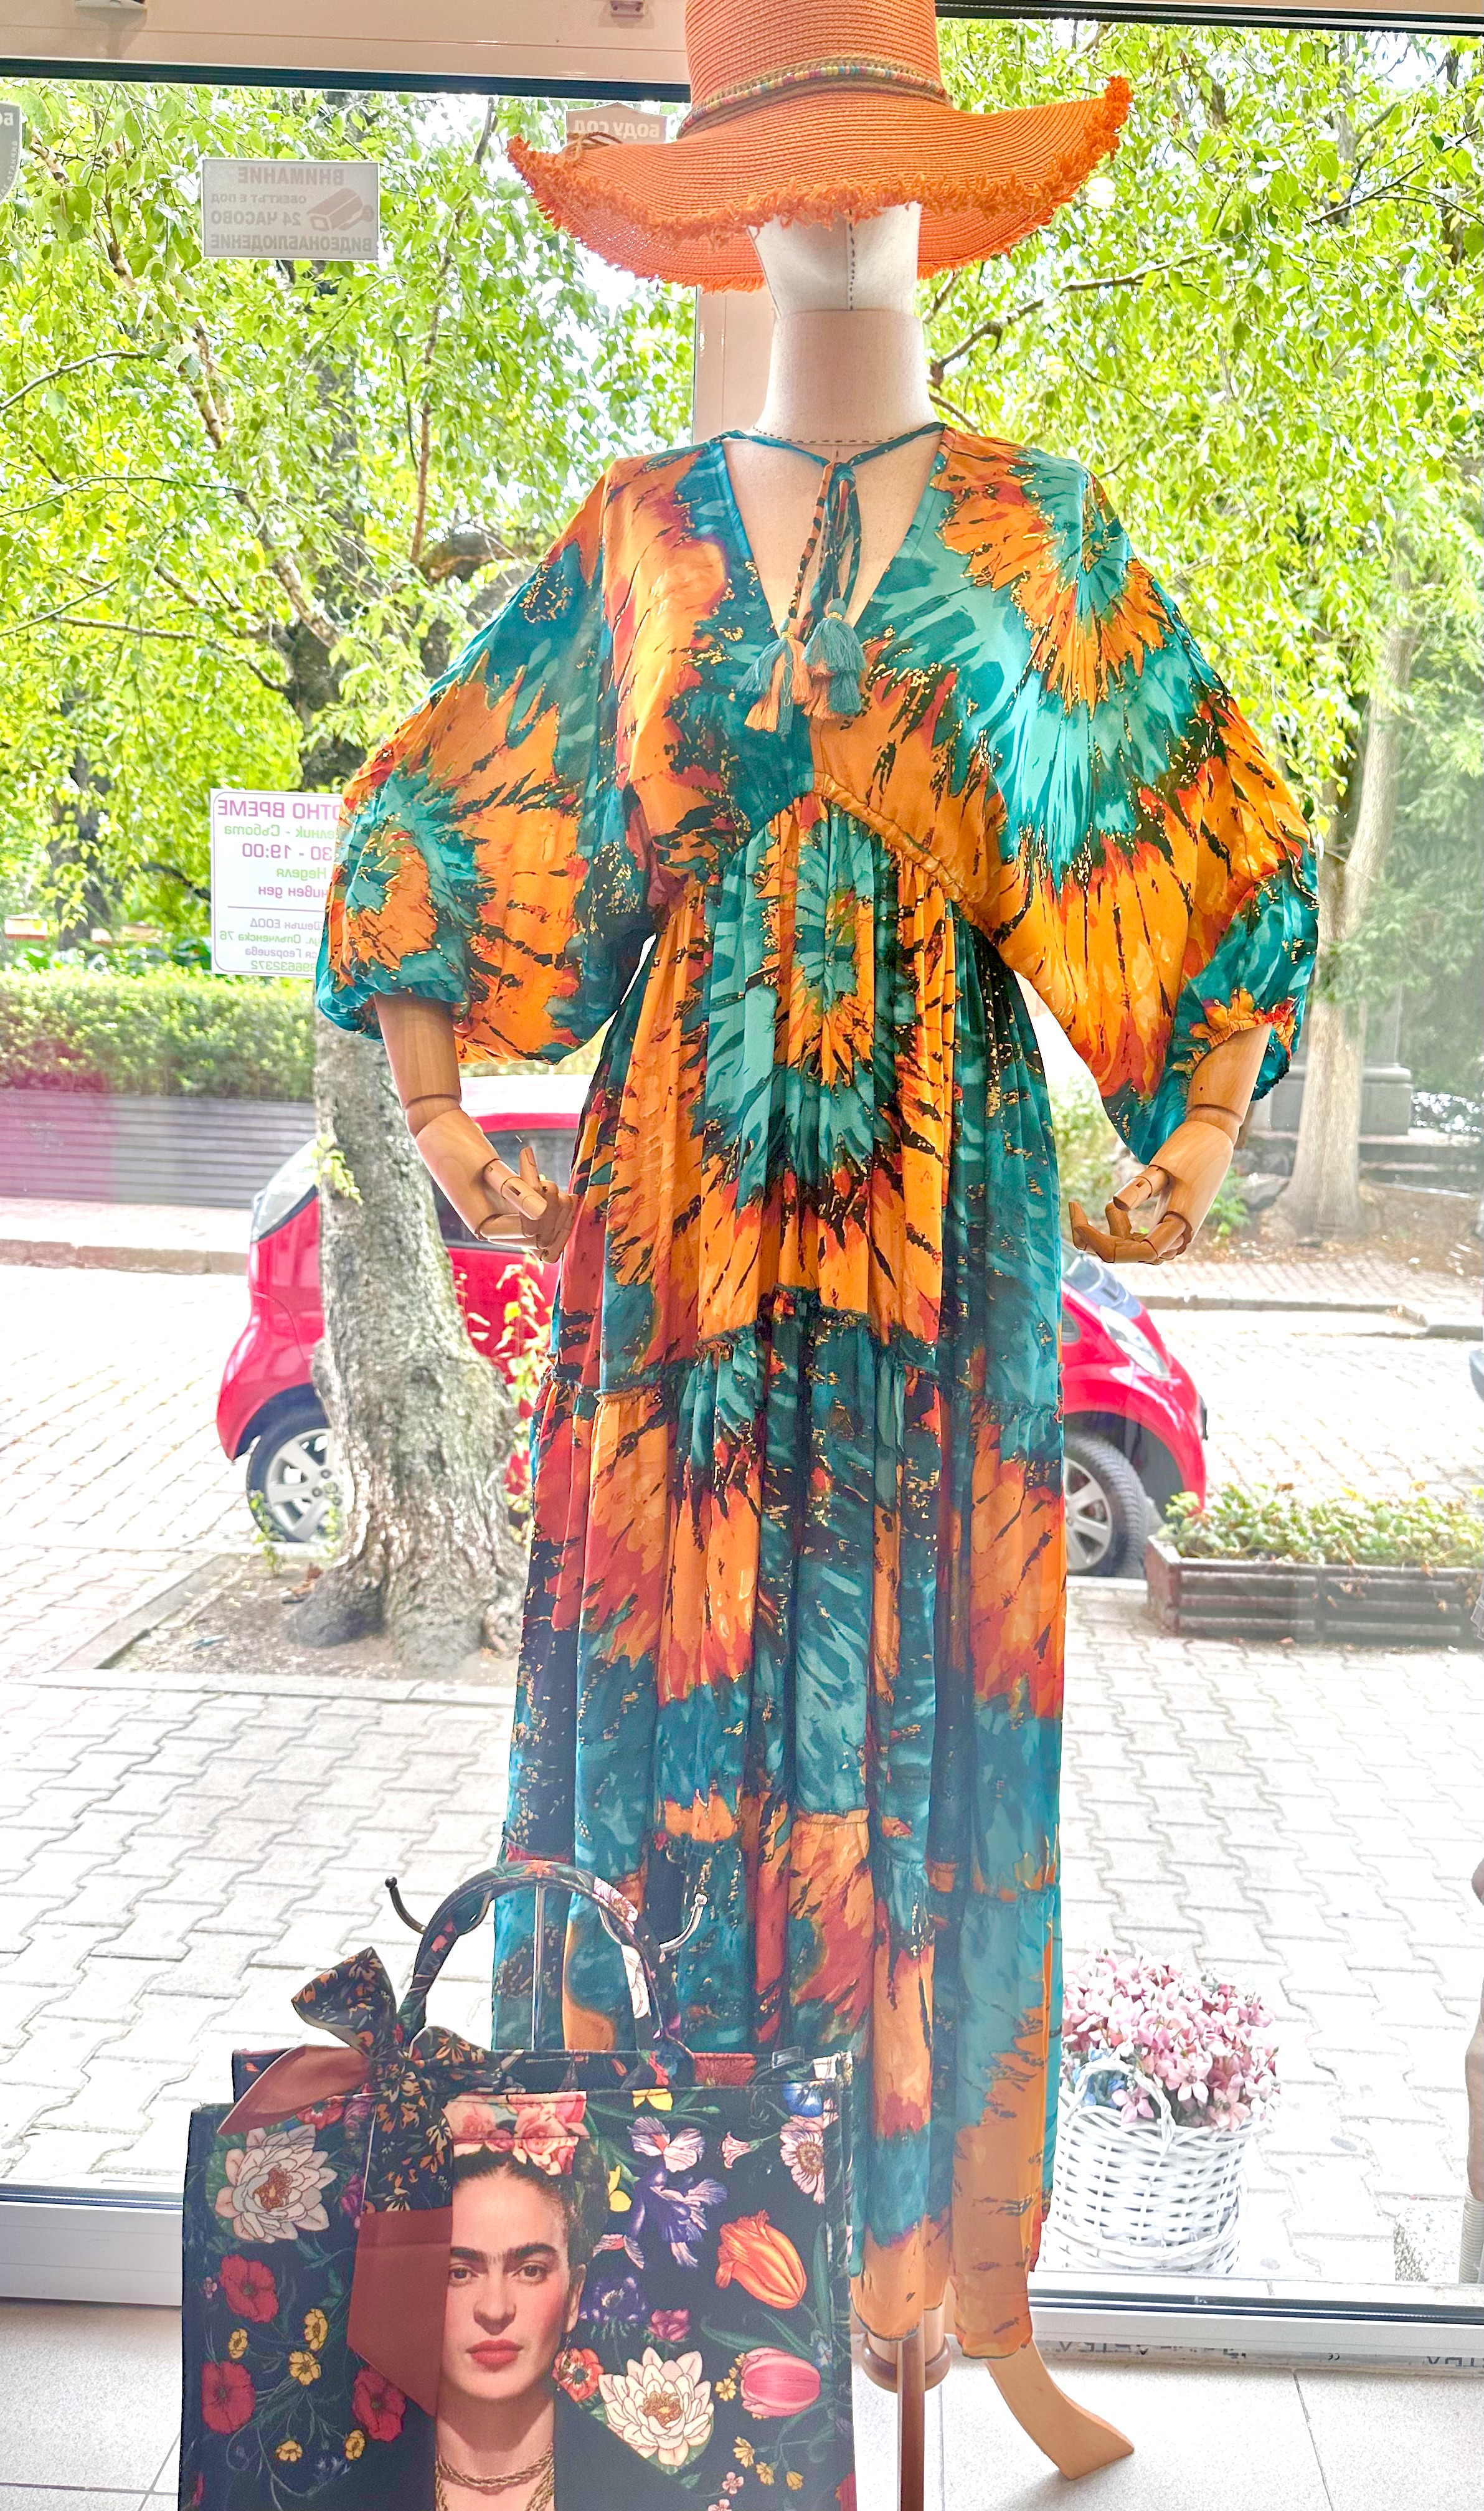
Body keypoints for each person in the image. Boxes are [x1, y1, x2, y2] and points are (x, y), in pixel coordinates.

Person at [317, 0, 1318, 2474]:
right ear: (725, 207)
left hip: (937, 1234)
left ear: (933, 187)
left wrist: (1198, 1114)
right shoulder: (635, 535)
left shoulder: (1033, 535)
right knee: (655, 1702)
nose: (834, 200)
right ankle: (646, 2279)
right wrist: (440, 1114)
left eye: (875, 152)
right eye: (784, 158)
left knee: (926, 1718)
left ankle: (921, 2280)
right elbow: (444, 812)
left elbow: (1194, 824)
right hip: (672, 1224)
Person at [377, 2144, 679, 2509]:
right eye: (459, 2273)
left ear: (573, 2296)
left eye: (530, 2271)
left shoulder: (654, 2502)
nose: (495, 2309)